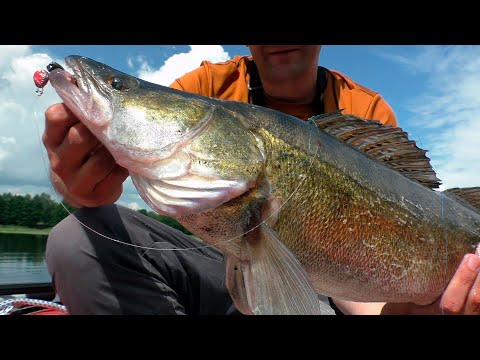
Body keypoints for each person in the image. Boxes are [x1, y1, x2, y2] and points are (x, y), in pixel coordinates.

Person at [42, 45, 480, 315]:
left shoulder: (364, 107)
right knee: (77, 236)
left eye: (120, 87)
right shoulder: (208, 85)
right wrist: (74, 182)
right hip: (228, 269)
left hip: (345, 291)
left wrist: (406, 309)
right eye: (122, 87)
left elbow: (356, 283)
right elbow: (95, 173)